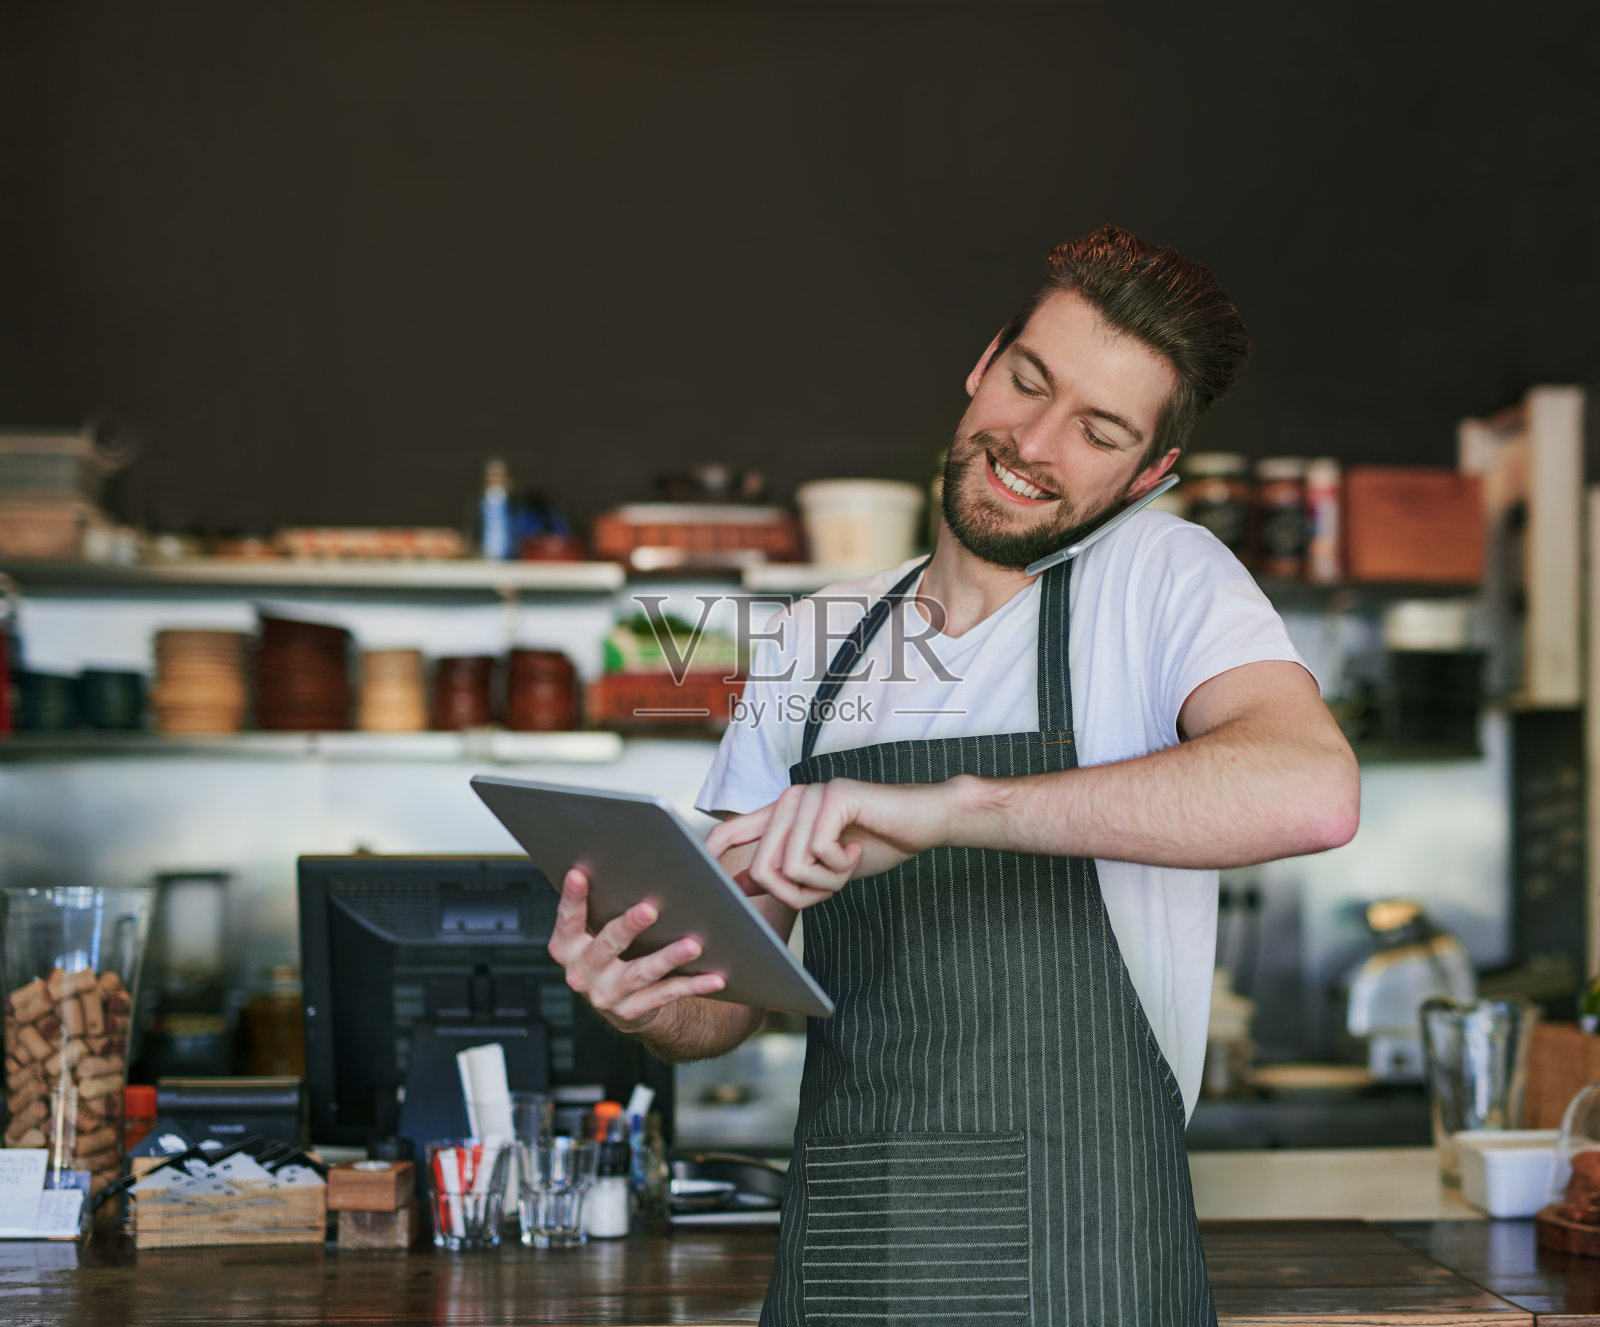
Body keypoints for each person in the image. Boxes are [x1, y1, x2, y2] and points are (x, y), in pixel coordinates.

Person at [548, 225, 1360, 1326]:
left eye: (1099, 429)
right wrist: (647, 995)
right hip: (847, 1253)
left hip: (1088, 1260)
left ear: (1149, 472)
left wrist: (950, 811)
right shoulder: (811, 641)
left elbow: (1309, 790)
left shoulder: (1157, 580)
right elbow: (724, 999)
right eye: (1028, 382)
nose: (1032, 441)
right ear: (984, 362)